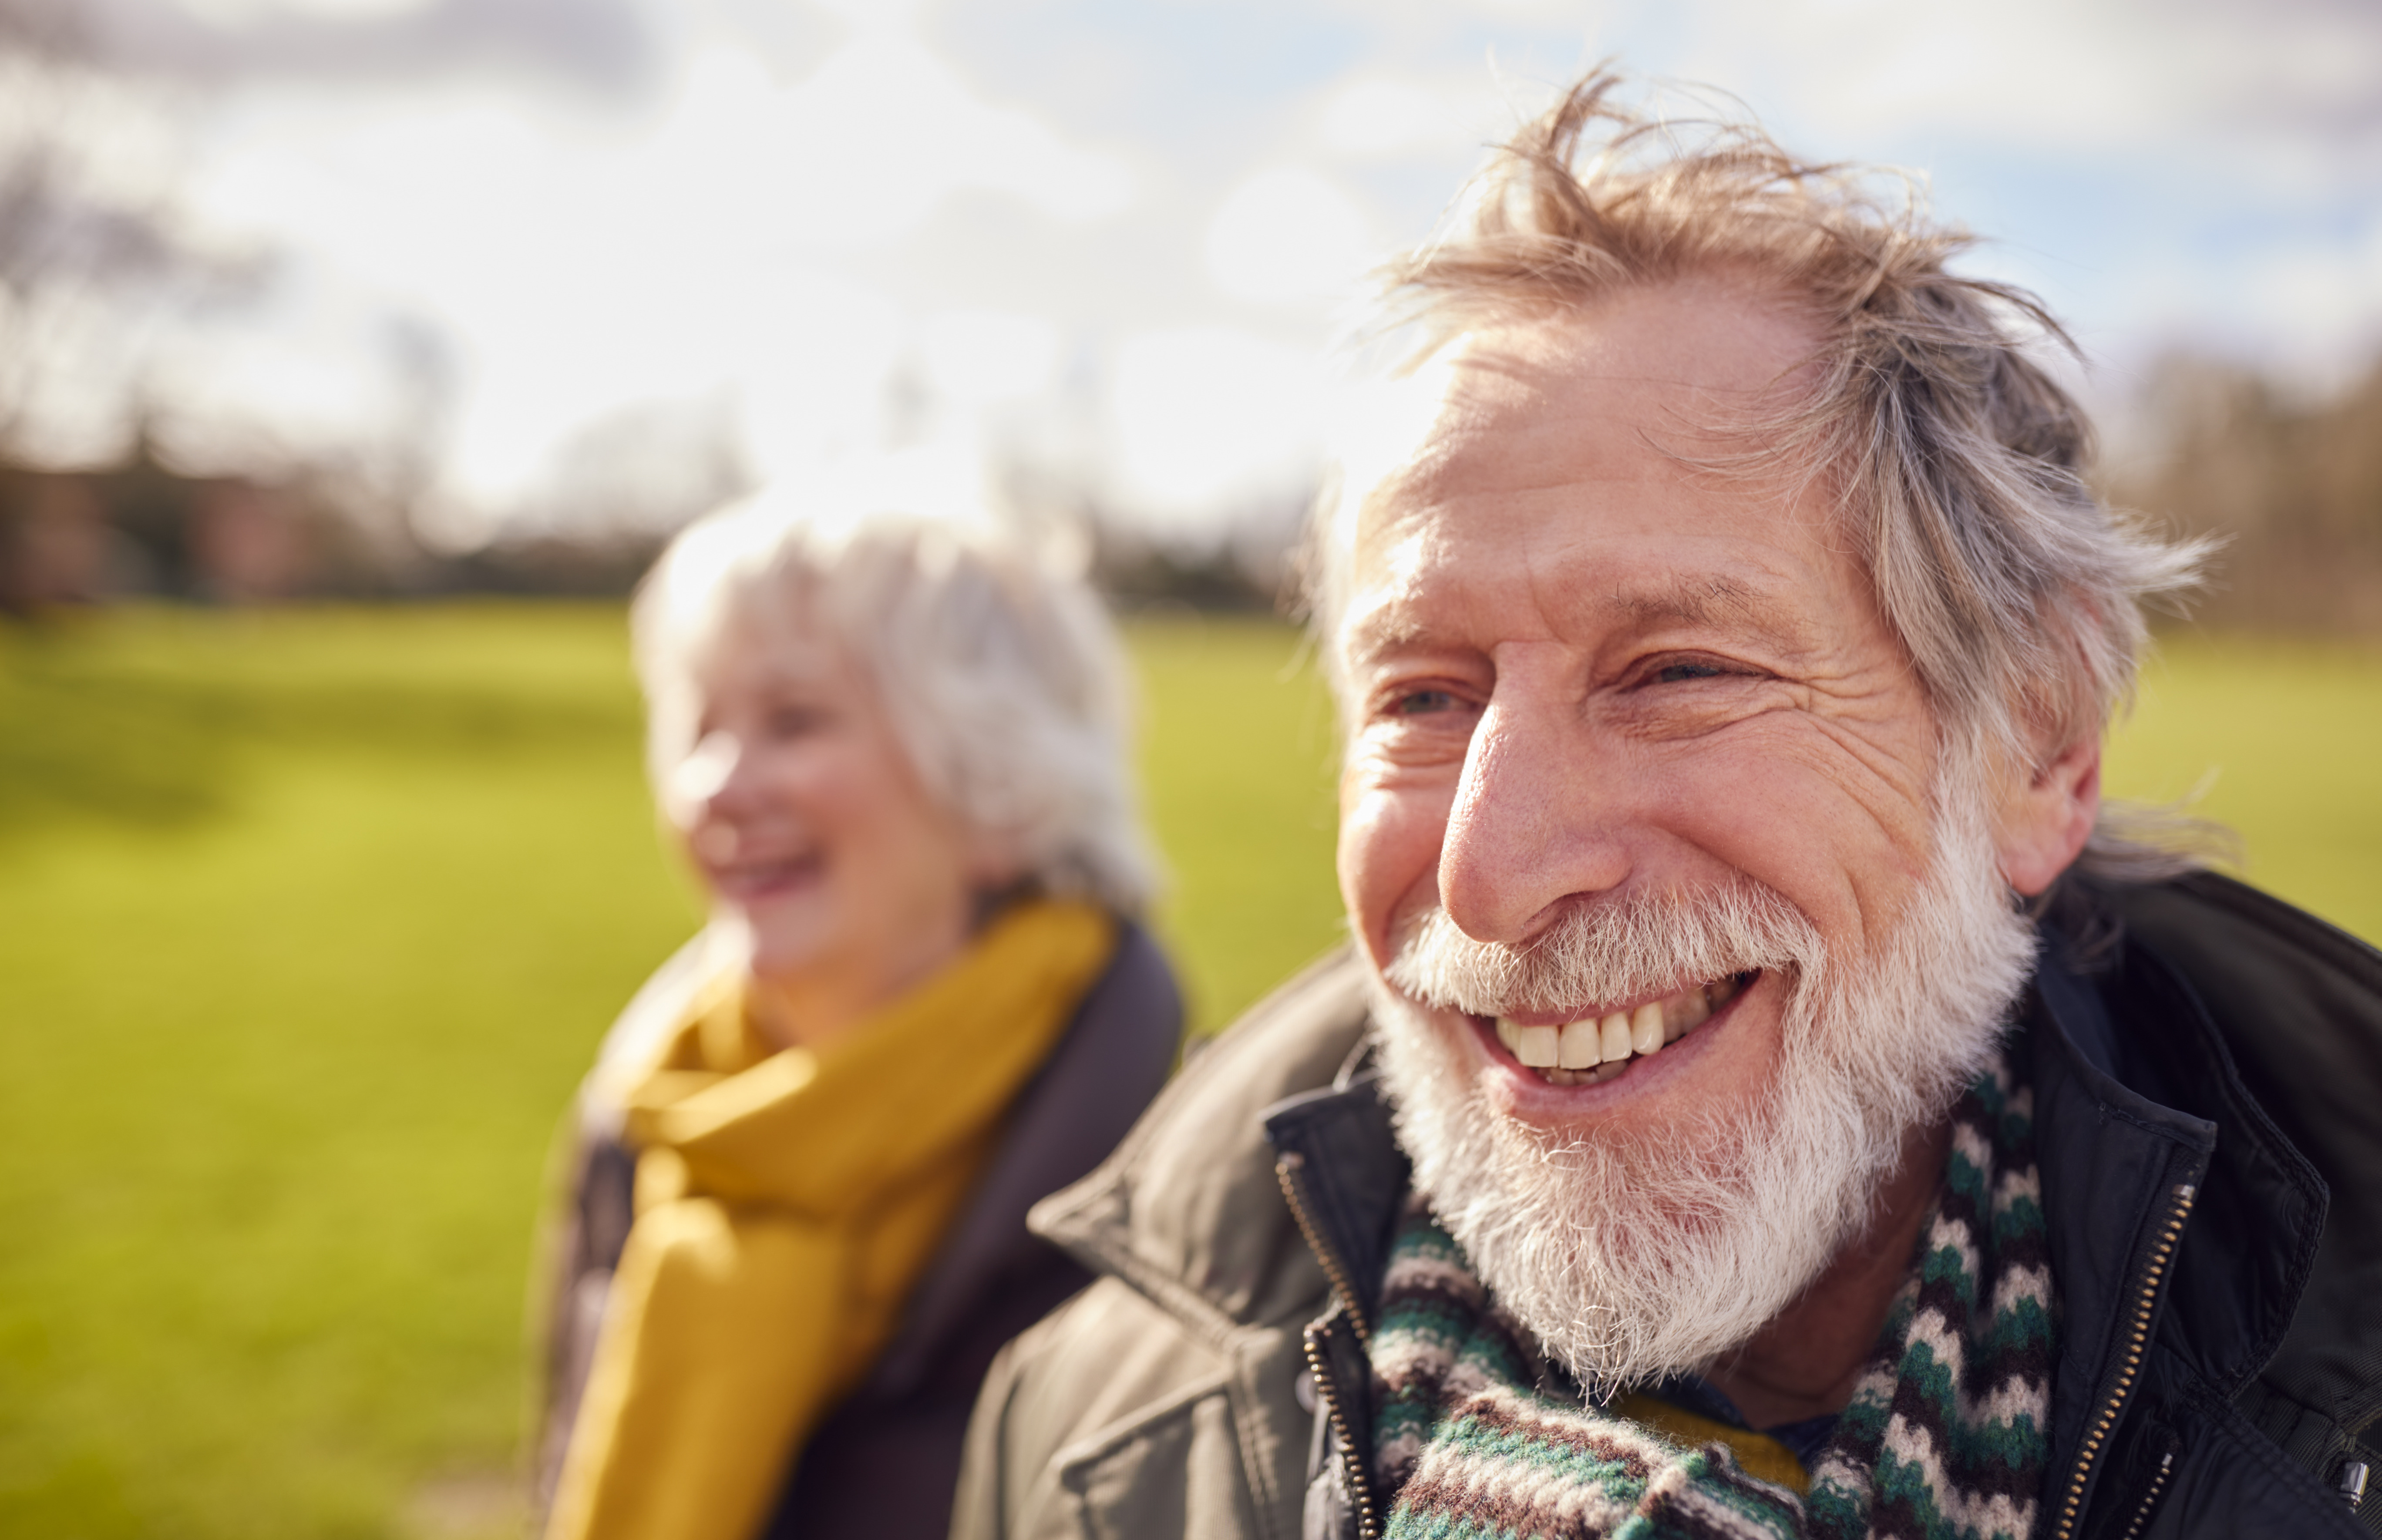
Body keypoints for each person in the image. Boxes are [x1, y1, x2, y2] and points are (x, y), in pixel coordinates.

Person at [952, 73, 2382, 1540]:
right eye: (1422, 697)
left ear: (2039, 747)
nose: (1491, 870)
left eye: (1676, 669)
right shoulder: (1102, 1432)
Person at [532, 494, 1181, 1540]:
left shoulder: (1169, 1190)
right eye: (700, 725)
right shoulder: (652, 1109)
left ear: (995, 781)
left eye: (794, 720)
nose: (714, 787)